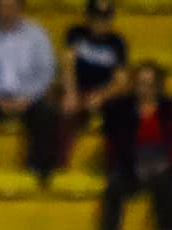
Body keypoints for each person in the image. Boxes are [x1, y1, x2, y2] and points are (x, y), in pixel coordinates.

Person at [0, 0, 58, 185]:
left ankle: (37, 173)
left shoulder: (37, 35)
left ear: (20, 9)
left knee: (48, 115)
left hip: (28, 97)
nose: (6, 12)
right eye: (2, 8)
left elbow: (46, 72)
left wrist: (27, 98)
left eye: (10, 7)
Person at [99, 61, 172, 230]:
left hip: (160, 165)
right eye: (140, 83)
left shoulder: (167, 108)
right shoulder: (121, 107)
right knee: (114, 186)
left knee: (168, 184)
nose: (144, 88)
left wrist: (168, 164)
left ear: (158, 86)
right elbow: (115, 142)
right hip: (130, 164)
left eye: (149, 84)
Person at [58, 0, 128, 168]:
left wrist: (102, 96)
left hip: (102, 93)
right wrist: (71, 93)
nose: (101, 23)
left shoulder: (117, 43)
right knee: (64, 111)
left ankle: (113, 166)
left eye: (105, 18)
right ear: (88, 17)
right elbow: (67, 65)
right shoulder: (75, 34)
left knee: (120, 114)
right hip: (77, 89)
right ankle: (59, 164)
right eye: (96, 18)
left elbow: (121, 81)